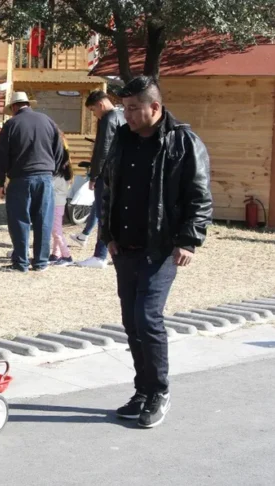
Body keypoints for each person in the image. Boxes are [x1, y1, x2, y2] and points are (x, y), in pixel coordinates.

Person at [101, 76, 212, 429]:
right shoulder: (121, 139)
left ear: (155, 107)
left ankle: (159, 392)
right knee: (131, 320)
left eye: (134, 108)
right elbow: (109, 188)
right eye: (124, 108)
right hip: (125, 246)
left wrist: (188, 240)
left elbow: (200, 197)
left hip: (160, 248)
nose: (127, 115)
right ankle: (142, 390)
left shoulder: (183, 142)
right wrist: (108, 234)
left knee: (148, 318)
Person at [0, 92, 65, 273]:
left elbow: (1, 156)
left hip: (20, 178)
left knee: (19, 220)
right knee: (43, 219)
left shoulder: (11, 125)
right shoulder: (47, 121)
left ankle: (21, 262)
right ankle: (41, 261)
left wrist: (0, 181)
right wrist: (52, 170)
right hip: (45, 176)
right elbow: (59, 150)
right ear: (27, 103)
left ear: (15, 107)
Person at [72, 90, 126, 269]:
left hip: (107, 174)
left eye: (93, 110)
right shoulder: (122, 116)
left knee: (104, 215)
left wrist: (94, 175)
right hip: (121, 172)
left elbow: (102, 150)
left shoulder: (108, 119)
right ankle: (118, 252)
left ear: (101, 105)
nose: (94, 115)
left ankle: (100, 255)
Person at [49, 133, 73, 266]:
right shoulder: (66, 171)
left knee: (56, 231)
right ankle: (56, 253)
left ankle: (67, 255)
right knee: (56, 230)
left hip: (56, 204)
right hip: (59, 204)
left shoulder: (57, 174)